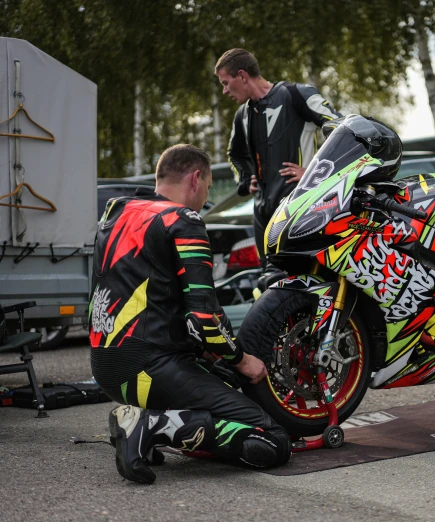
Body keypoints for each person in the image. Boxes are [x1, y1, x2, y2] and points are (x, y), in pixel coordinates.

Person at [89, 144, 291, 484]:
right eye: (209, 188)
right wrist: (242, 360)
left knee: (215, 382)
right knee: (272, 438)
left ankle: (148, 420)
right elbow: (205, 317)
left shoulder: (117, 212)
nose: (205, 197)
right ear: (196, 179)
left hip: (106, 366)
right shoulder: (182, 220)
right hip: (150, 365)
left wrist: (208, 356)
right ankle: (151, 426)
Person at [214, 48, 342, 266]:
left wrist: (314, 173)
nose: (225, 91)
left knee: (311, 280)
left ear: (242, 76)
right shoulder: (242, 115)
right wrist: (246, 180)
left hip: (301, 210)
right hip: (262, 218)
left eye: (225, 83)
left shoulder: (296, 94)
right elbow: (234, 155)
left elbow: (340, 128)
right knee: (269, 284)